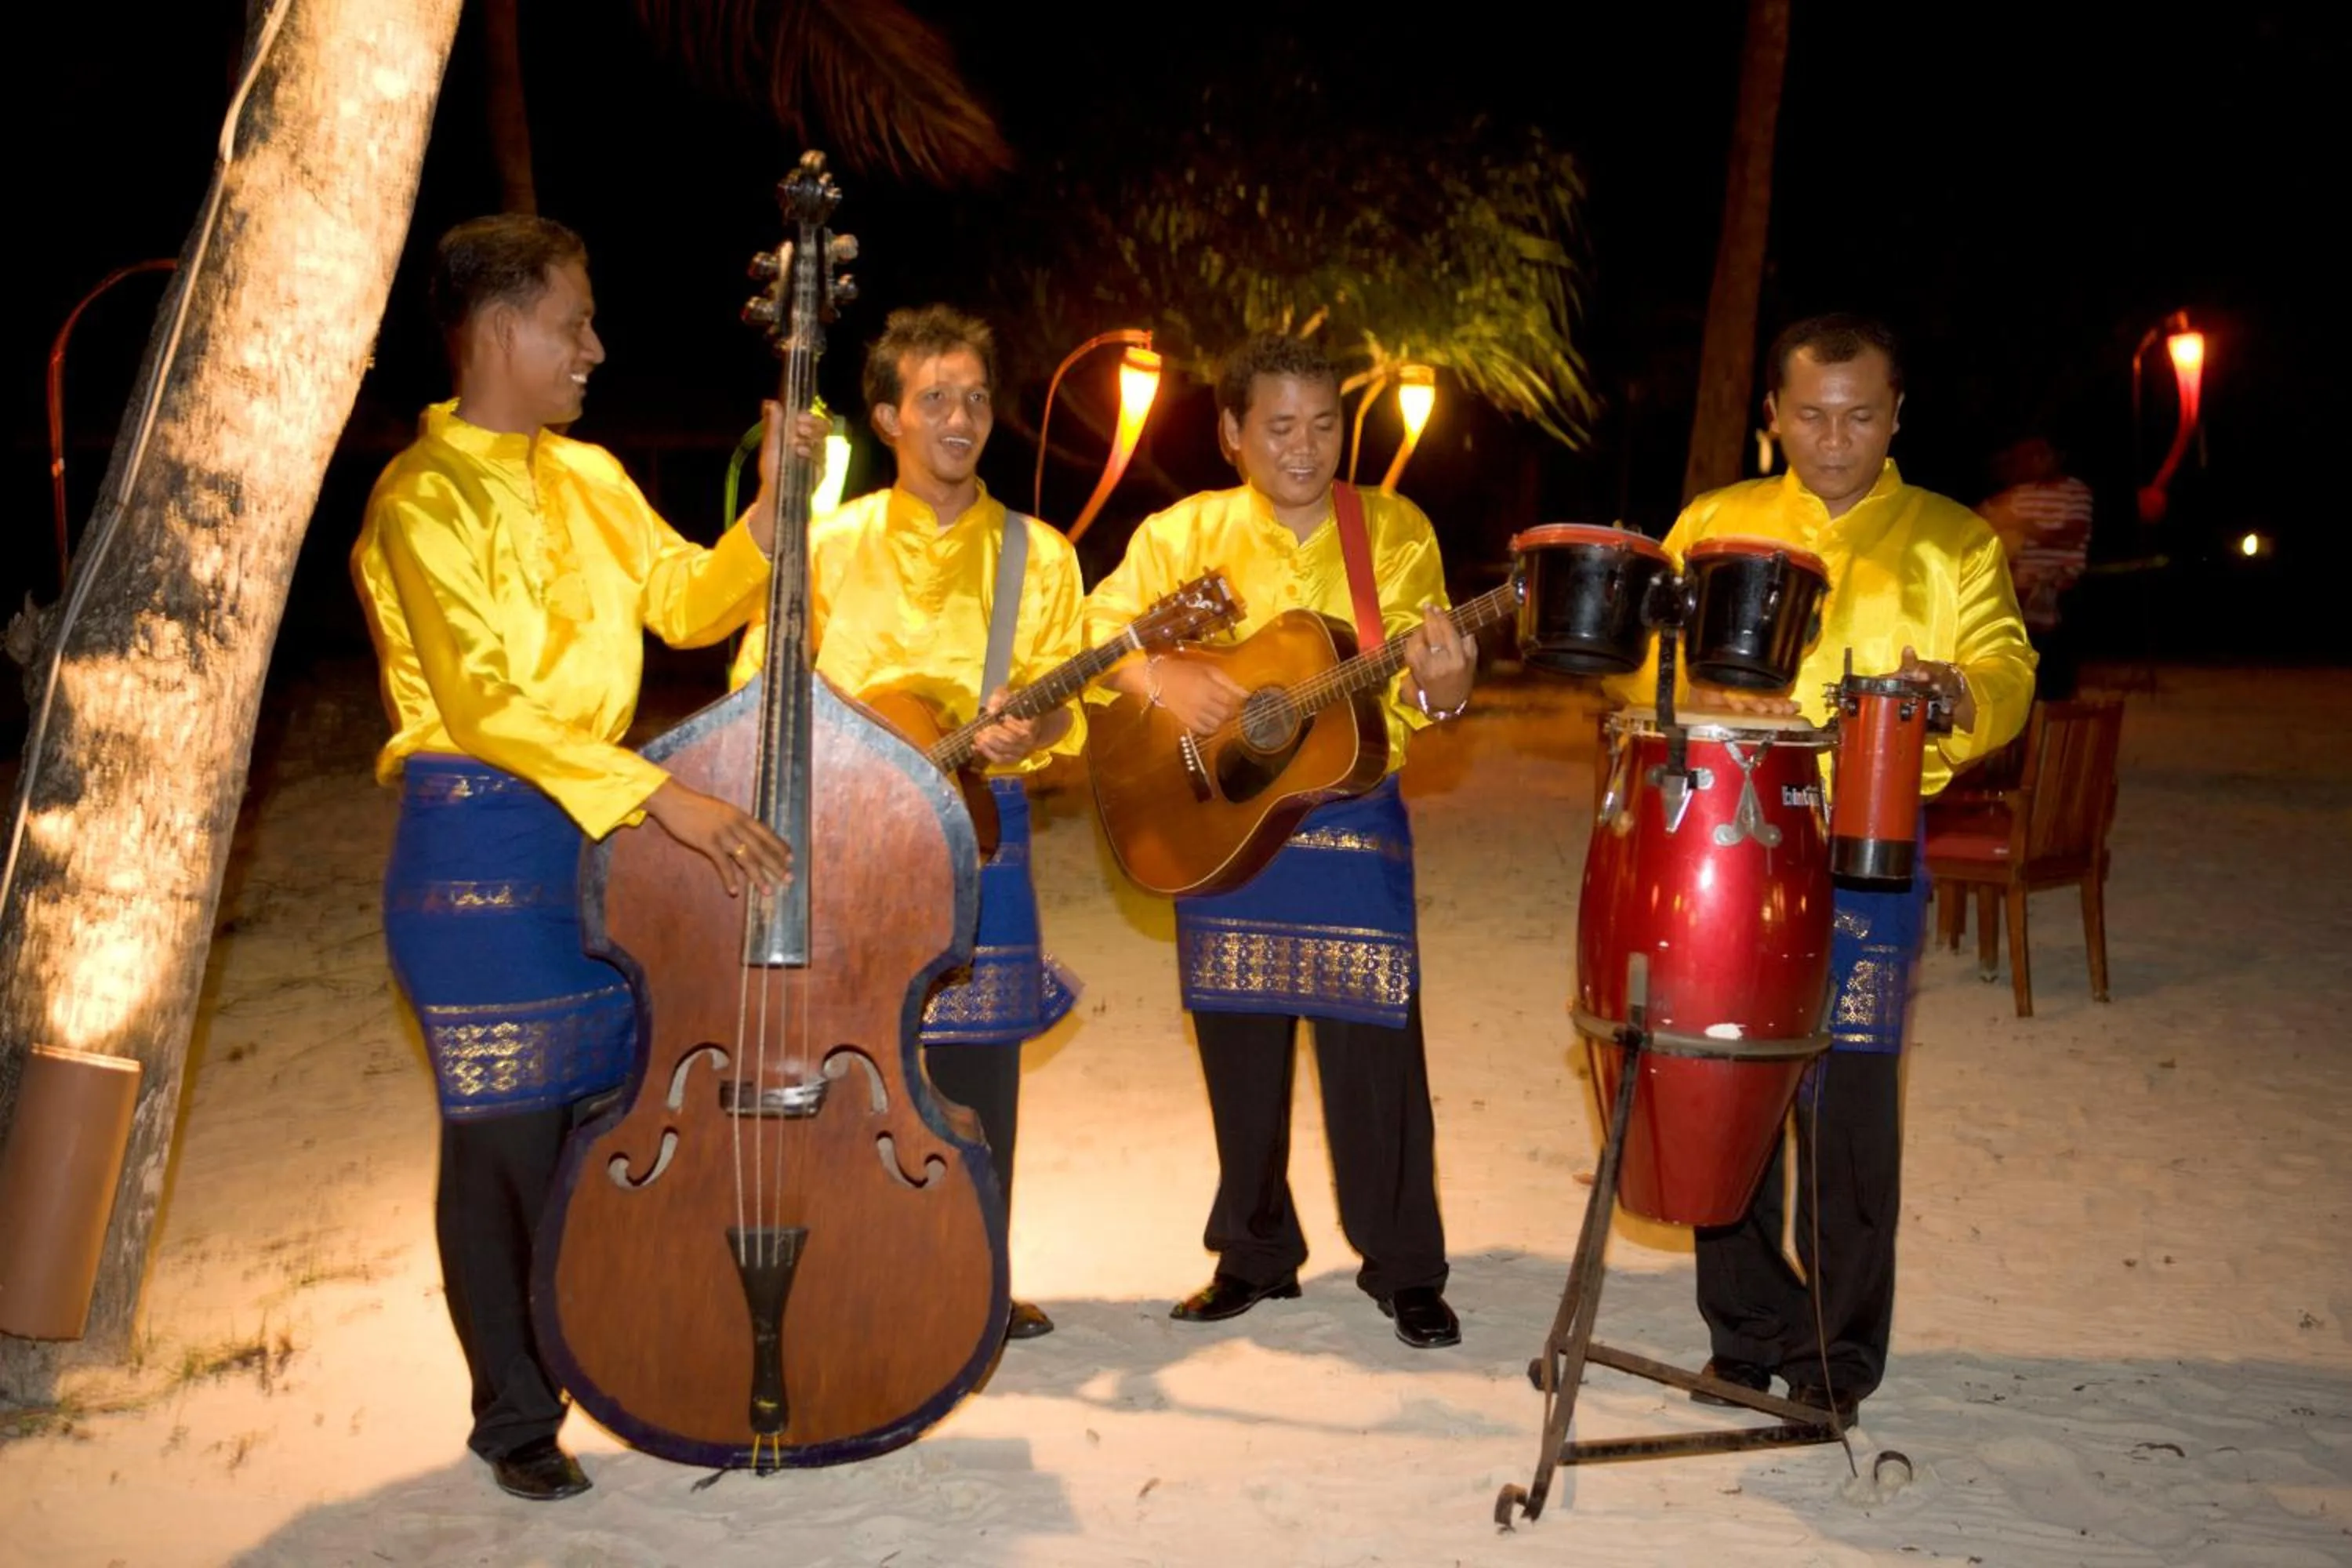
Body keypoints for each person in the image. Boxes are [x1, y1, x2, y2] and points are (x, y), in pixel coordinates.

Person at [351, 215, 791, 1501]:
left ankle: (608, 1352)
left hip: (595, 833)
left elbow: (693, 602)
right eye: (573, 323)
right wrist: (665, 800)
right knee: (499, 1135)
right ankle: (515, 1414)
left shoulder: (592, 479)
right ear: (498, 332)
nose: (595, 349)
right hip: (480, 847)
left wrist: (769, 516)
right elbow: (485, 707)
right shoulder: (419, 500)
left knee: (602, 1124)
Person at [1614, 313, 2035, 1422]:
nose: (1834, 438)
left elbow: (2007, 667)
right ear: (1772, 417)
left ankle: (1839, 1356)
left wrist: (1958, 692)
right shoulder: (1715, 522)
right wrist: (1690, 695)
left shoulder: (1951, 542)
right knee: (1724, 1087)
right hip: (1727, 852)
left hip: (1869, 858)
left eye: (1858, 416)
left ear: (1897, 415)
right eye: (1810, 414)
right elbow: (1649, 669)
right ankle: (1747, 1335)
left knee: (1847, 1114)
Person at [1083, 333, 1475, 1349]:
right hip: (1215, 820)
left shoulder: (1389, 530)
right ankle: (1254, 1255)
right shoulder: (1183, 532)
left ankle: (1405, 1265)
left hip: (1348, 817)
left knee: (1378, 1051)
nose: (1305, 449)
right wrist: (1158, 679)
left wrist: (1447, 685)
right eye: (1280, 427)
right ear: (1231, 433)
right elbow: (1089, 642)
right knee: (1239, 1048)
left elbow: (1431, 693)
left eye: (1325, 426)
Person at [728, 305, 1083, 1342]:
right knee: (861, 1068)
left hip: (984, 829)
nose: (962, 417)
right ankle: (856, 1266)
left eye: (975, 398)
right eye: (936, 398)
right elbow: (759, 678)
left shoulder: (1040, 554)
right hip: (851, 840)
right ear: (886, 415)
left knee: (979, 1072)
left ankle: (975, 1279)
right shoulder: (827, 545)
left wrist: (1040, 726)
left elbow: (1076, 710)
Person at [1977, 435, 2092, 699]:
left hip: (2062, 588)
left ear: (2058, 457)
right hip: (2023, 589)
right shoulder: (2019, 494)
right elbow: (1980, 520)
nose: (2033, 463)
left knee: (2057, 661)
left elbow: (2072, 534)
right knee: (2026, 658)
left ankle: (2057, 715)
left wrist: (2026, 527)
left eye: (2041, 455)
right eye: (2028, 457)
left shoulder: (2076, 491)